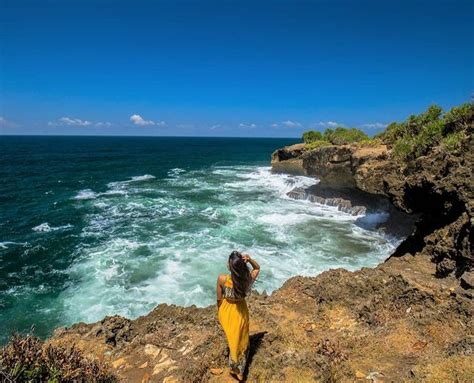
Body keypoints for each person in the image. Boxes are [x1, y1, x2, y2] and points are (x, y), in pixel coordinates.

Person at [216, 251, 260, 381]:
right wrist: (250, 260)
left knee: (232, 339)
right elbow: (257, 268)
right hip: (240, 310)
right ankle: (240, 369)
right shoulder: (247, 280)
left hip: (226, 310)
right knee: (241, 339)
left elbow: (219, 299)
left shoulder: (222, 279)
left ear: (230, 266)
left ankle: (235, 369)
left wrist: (220, 312)